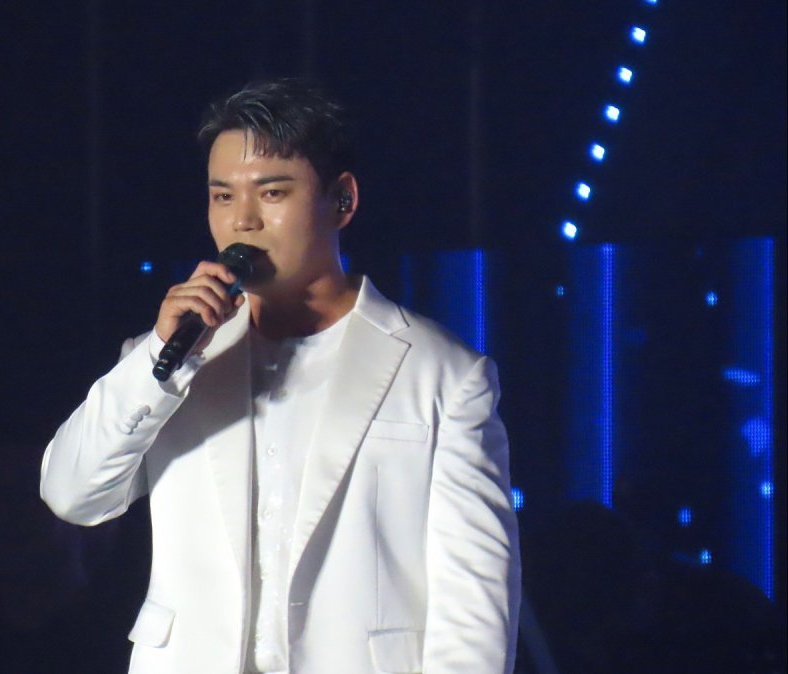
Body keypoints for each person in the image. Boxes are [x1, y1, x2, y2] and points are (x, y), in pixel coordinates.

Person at [40, 78, 520, 674]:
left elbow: (473, 607)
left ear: (342, 200)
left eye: (272, 192)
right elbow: (72, 494)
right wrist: (160, 358)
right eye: (222, 196)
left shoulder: (443, 373)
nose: (243, 220)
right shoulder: (168, 359)